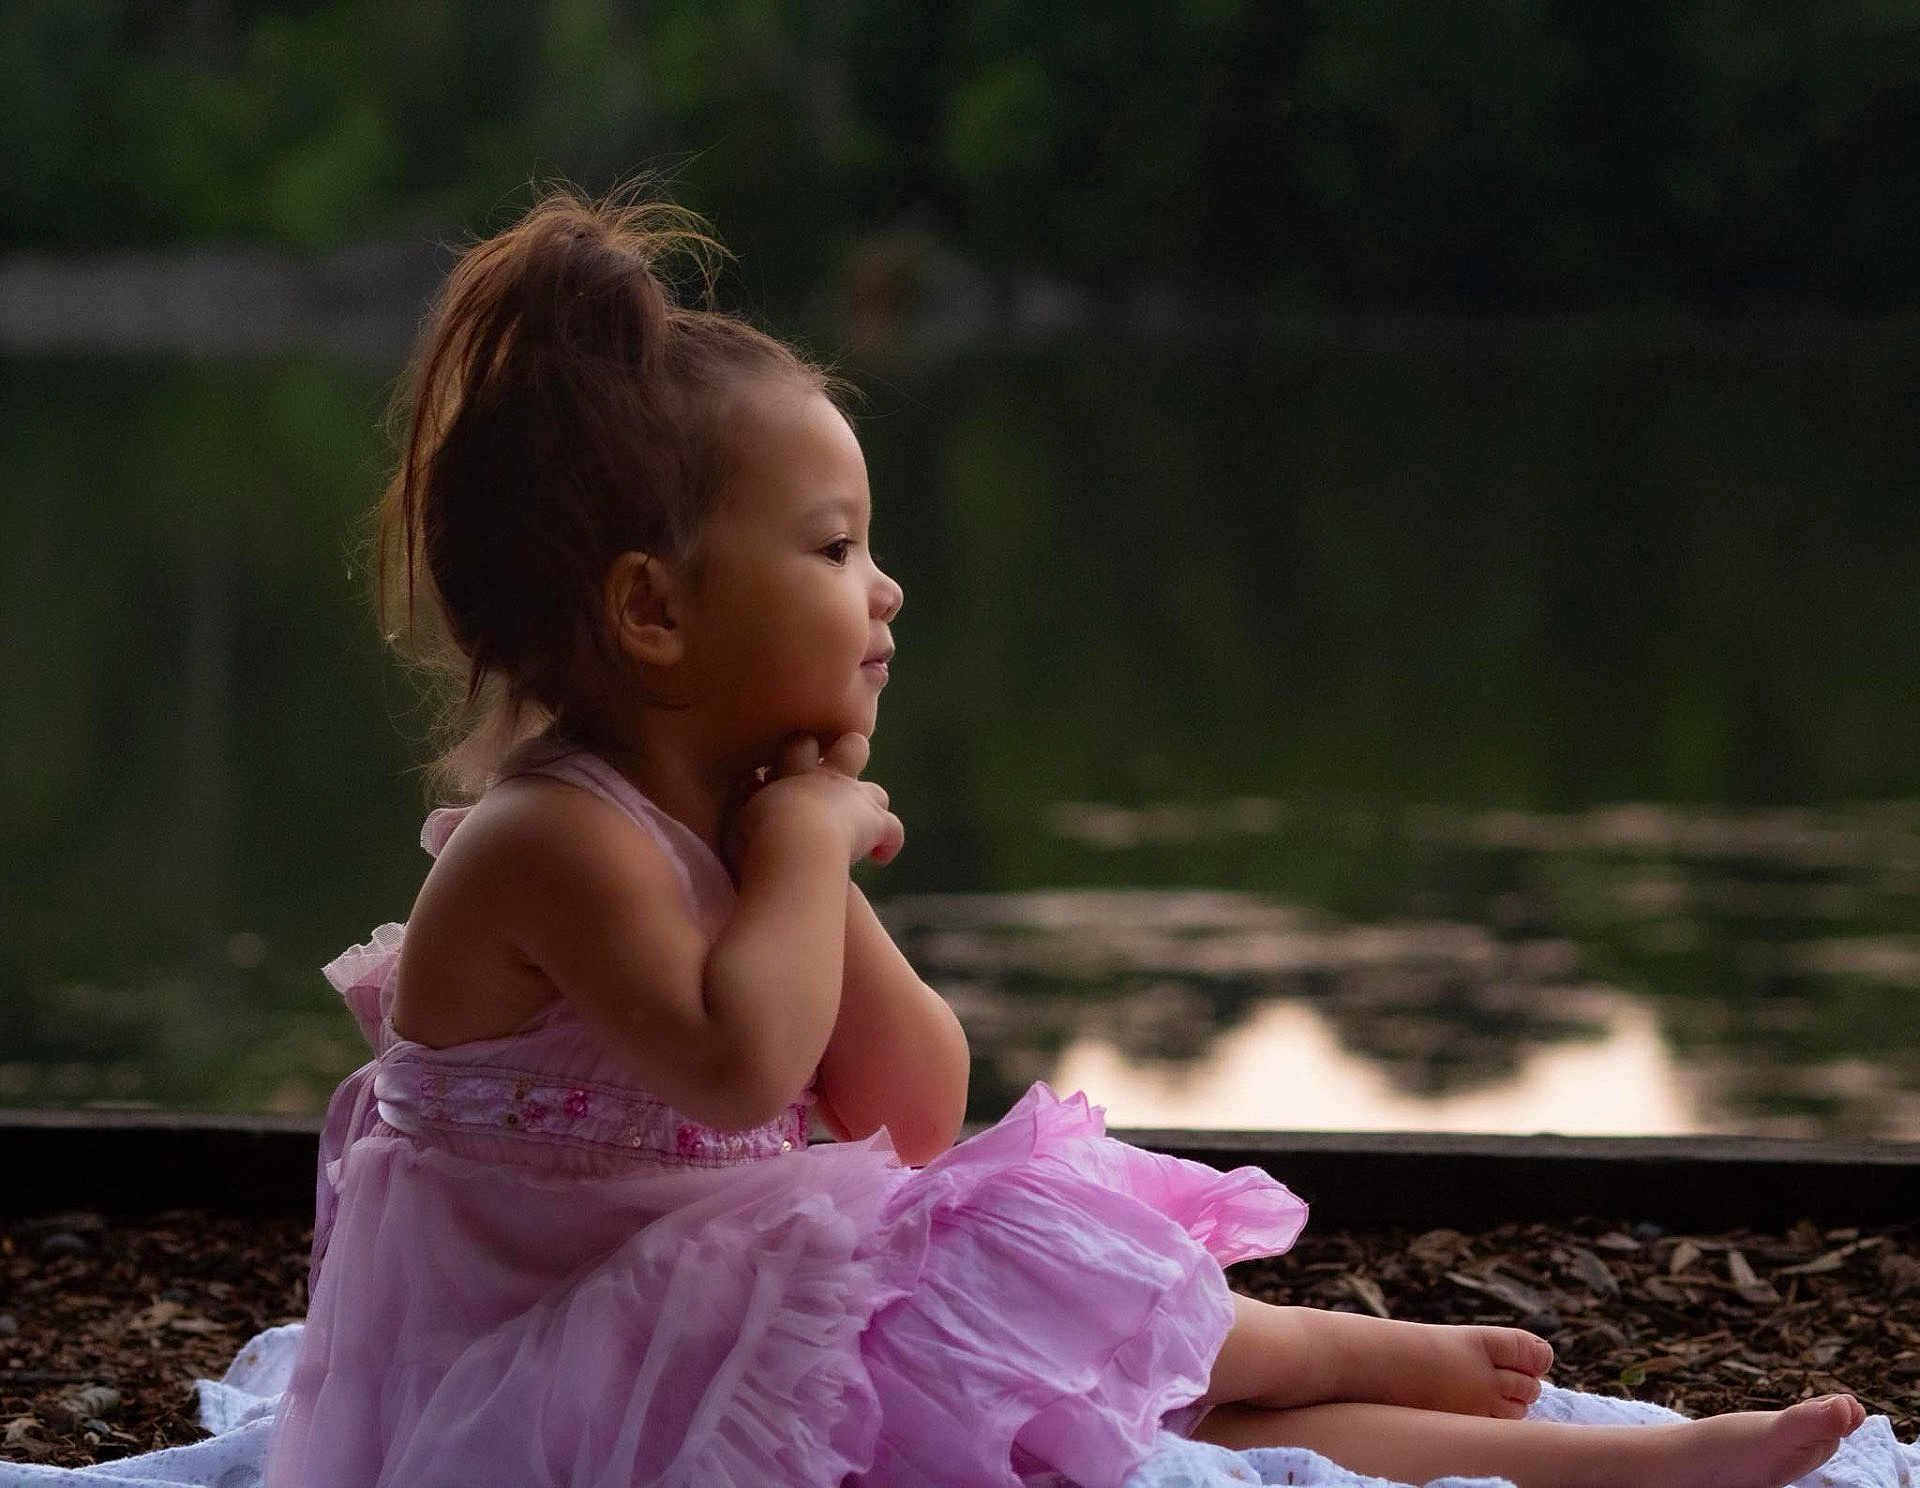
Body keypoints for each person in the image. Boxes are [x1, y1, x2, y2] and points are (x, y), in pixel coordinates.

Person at [265, 188, 1864, 1488]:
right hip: (567, 1363)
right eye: (834, 548)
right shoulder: (552, 841)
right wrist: (809, 849)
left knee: (1066, 1369)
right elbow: (745, 1073)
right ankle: (1327, 1352)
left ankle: (1617, 1468)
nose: (885, 593)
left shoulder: (736, 818)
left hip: (713, 1309)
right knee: (997, 1294)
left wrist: (791, 844)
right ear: (653, 612)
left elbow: (902, 1110)